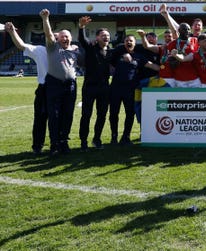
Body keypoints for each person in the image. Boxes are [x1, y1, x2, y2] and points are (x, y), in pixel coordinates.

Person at [40, 9, 82, 156]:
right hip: (54, 84)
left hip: (70, 86)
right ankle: (54, 143)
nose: (65, 39)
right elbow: (49, 34)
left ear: (71, 38)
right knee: (54, 115)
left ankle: (64, 141)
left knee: (68, 114)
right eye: (63, 37)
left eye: (67, 37)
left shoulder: (75, 50)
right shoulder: (53, 47)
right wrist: (46, 19)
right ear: (58, 39)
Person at [4, 22, 49, 154]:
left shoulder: (65, 51)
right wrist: (12, 32)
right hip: (44, 88)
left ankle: (57, 144)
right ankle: (37, 146)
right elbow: (21, 45)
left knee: (58, 119)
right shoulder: (40, 50)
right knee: (40, 119)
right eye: (53, 36)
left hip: (59, 89)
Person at [109, 35, 158, 145]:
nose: (129, 42)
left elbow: (152, 66)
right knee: (113, 114)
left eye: (131, 41)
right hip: (115, 89)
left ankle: (126, 137)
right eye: (126, 41)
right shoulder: (117, 54)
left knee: (130, 114)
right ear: (124, 43)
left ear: (135, 43)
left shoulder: (139, 57)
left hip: (130, 90)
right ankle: (114, 137)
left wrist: (166, 70)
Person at [77, 16, 112, 150]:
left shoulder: (110, 51)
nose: (106, 37)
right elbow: (82, 40)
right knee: (86, 115)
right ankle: (83, 141)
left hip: (104, 88)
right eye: (103, 35)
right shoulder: (91, 47)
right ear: (97, 37)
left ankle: (97, 139)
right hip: (90, 87)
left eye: (108, 36)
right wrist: (81, 27)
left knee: (102, 115)